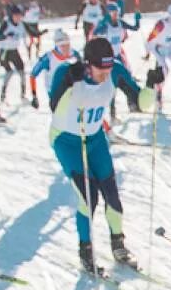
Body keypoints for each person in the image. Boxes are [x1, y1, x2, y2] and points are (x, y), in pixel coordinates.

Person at [47, 38, 143, 274]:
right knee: (88, 196)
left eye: (109, 67)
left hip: (95, 139)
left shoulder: (114, 70)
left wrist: (150, 85)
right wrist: (69, 83)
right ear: (88, 65)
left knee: (111, 192)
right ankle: (86, 251)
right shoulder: (67, 72)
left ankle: (118, 245)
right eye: (101, 68)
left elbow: (139, 99)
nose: (106, 73)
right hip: (67, 141)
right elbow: (53, 104)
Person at [144, 4, 171, 107]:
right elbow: (150, 38)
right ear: (169, 15)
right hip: (159, 49)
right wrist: (147, 53)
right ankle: (158, 95)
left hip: (170, 49)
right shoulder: (161, 24)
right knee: (165, 70)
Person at [29, 29, 78, 109]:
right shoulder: (48, 58)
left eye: (67, 45)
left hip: (72, 91)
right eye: (62, 46)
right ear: (57, 46)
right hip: (55, 94)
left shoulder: (75, 54)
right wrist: (34, 95)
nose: (66, 48)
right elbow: (33, 74)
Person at [0, 5, 29, 102]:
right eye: (15, 16)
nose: (18, 18)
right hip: (5, 51)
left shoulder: (21, 24)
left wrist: (40, 33)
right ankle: (3, 94)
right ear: (11, 16)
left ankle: (23, 94)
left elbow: (31, 31)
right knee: (9, 72)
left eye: (19, 15)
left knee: (22, 71)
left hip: (14, 51)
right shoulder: (6, 23)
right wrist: (6, 35)